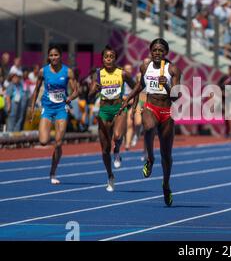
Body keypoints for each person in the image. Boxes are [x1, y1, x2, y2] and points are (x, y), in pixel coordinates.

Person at [120, 38, 181, 206]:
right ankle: (150, 158)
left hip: (167, 112)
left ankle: (166, 185)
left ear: (166, 53)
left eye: (161, 51)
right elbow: (140, 86)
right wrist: (128, 99)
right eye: (154, 50)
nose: (157, 53)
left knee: (167, 155)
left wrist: (167, 86)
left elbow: (177, 97)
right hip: (150, 107)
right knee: (148, 127)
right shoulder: (145, 67)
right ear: (150, 51)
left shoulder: (173, 70)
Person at [30, 45, 78, 184]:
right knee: (44, 141)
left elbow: (76, 91)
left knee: (58, 143)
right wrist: (32, 108)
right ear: (48, 57)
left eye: (56, 55)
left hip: (61, 108)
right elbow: (36, 89)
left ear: (60, 56)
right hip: (47, 108)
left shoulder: (67, 72)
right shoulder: (43, 71)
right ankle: (57, 144)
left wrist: (70, 98)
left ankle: (53, 172)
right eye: (51, 55)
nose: (53, 58)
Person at [89, 46, 136, 192]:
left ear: (115, 59)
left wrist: (131, 103)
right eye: (106, 57)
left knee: (117, 136)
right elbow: (89, 96)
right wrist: (94, 90)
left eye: (111, 56)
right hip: (104, 111)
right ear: (102, 59)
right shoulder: (98, 74)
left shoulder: (122, 74)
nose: (108, 59)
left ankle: (117, 151)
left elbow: (136, 87)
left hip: (119, 108)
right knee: (104, 150)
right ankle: (110, 176)